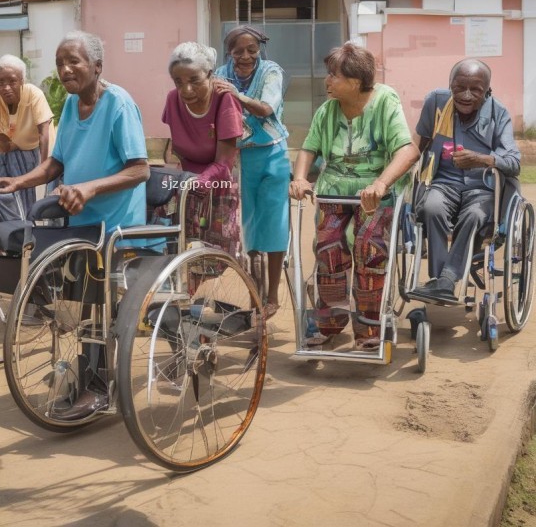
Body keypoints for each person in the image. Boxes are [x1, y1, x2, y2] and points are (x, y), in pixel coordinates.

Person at [289, 43, 419, 349]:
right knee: (328, 247)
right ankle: (330, 324)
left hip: (375, 190)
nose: (327, 81)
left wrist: (381, 184)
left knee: (369, 248)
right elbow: (309, 148)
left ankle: (370, 329)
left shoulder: (385, 101)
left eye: (334, 75)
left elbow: (407, 150)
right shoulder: (327, 110)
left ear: (356, 82)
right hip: (334, 187)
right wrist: (299, 178)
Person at [0, 31, 149, 231]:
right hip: (81, 224)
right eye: (59, 64)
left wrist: (89, 188)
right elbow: (57, 162)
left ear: (97, 66)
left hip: (117, 230)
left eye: (74, 61)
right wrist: (18, 182)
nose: (65, 70)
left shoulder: (118, 104)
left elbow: (140, 170)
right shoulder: (71, 103)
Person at [412, 58, 520, 301]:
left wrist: (482, 159)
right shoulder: (437, 103)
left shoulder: (498, 114)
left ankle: (447, 279)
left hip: (481, 188)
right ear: (450, 85)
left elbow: (514, 162)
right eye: (460, 87)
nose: (467, 95)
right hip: (443, 183)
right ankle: (441, 281)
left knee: (474, 216)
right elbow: (418, 145)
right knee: (431, 207)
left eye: (476, 90)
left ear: (487, 91)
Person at [214, 26, 290, 318]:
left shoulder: (271, 71)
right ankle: (254, 293)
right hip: (241, 158)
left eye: (251, 50)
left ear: (260, 50)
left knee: (274, 225)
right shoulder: (221, 73)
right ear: (229, 52)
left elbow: (267, 108)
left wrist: (237, 96)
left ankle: (272, 296)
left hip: (272, 154)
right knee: (249, 230)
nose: (245, 56)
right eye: (238, 51)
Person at [162, 41, 242, 256]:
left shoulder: (224, 100)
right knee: (172, 246)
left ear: (209, 74)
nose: (186, 90)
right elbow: (175, 151)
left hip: (218, 181)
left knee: (214, 256)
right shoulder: (172, 99)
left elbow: (224, 161)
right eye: (178, 82)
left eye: (194, 80)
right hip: (186, 182)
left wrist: (199, 181)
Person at [0, 54, 53, 220]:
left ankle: (29, 223)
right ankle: (17, 224)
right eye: (1, 82)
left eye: (12, 81)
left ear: (22, 80)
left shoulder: (34, 94)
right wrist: (15, 147)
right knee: (1, 180)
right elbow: (2, 143)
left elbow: (44, 135)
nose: (6, 87)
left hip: (40, 150)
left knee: (39, 191)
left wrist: (42, 171)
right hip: (12, 152)